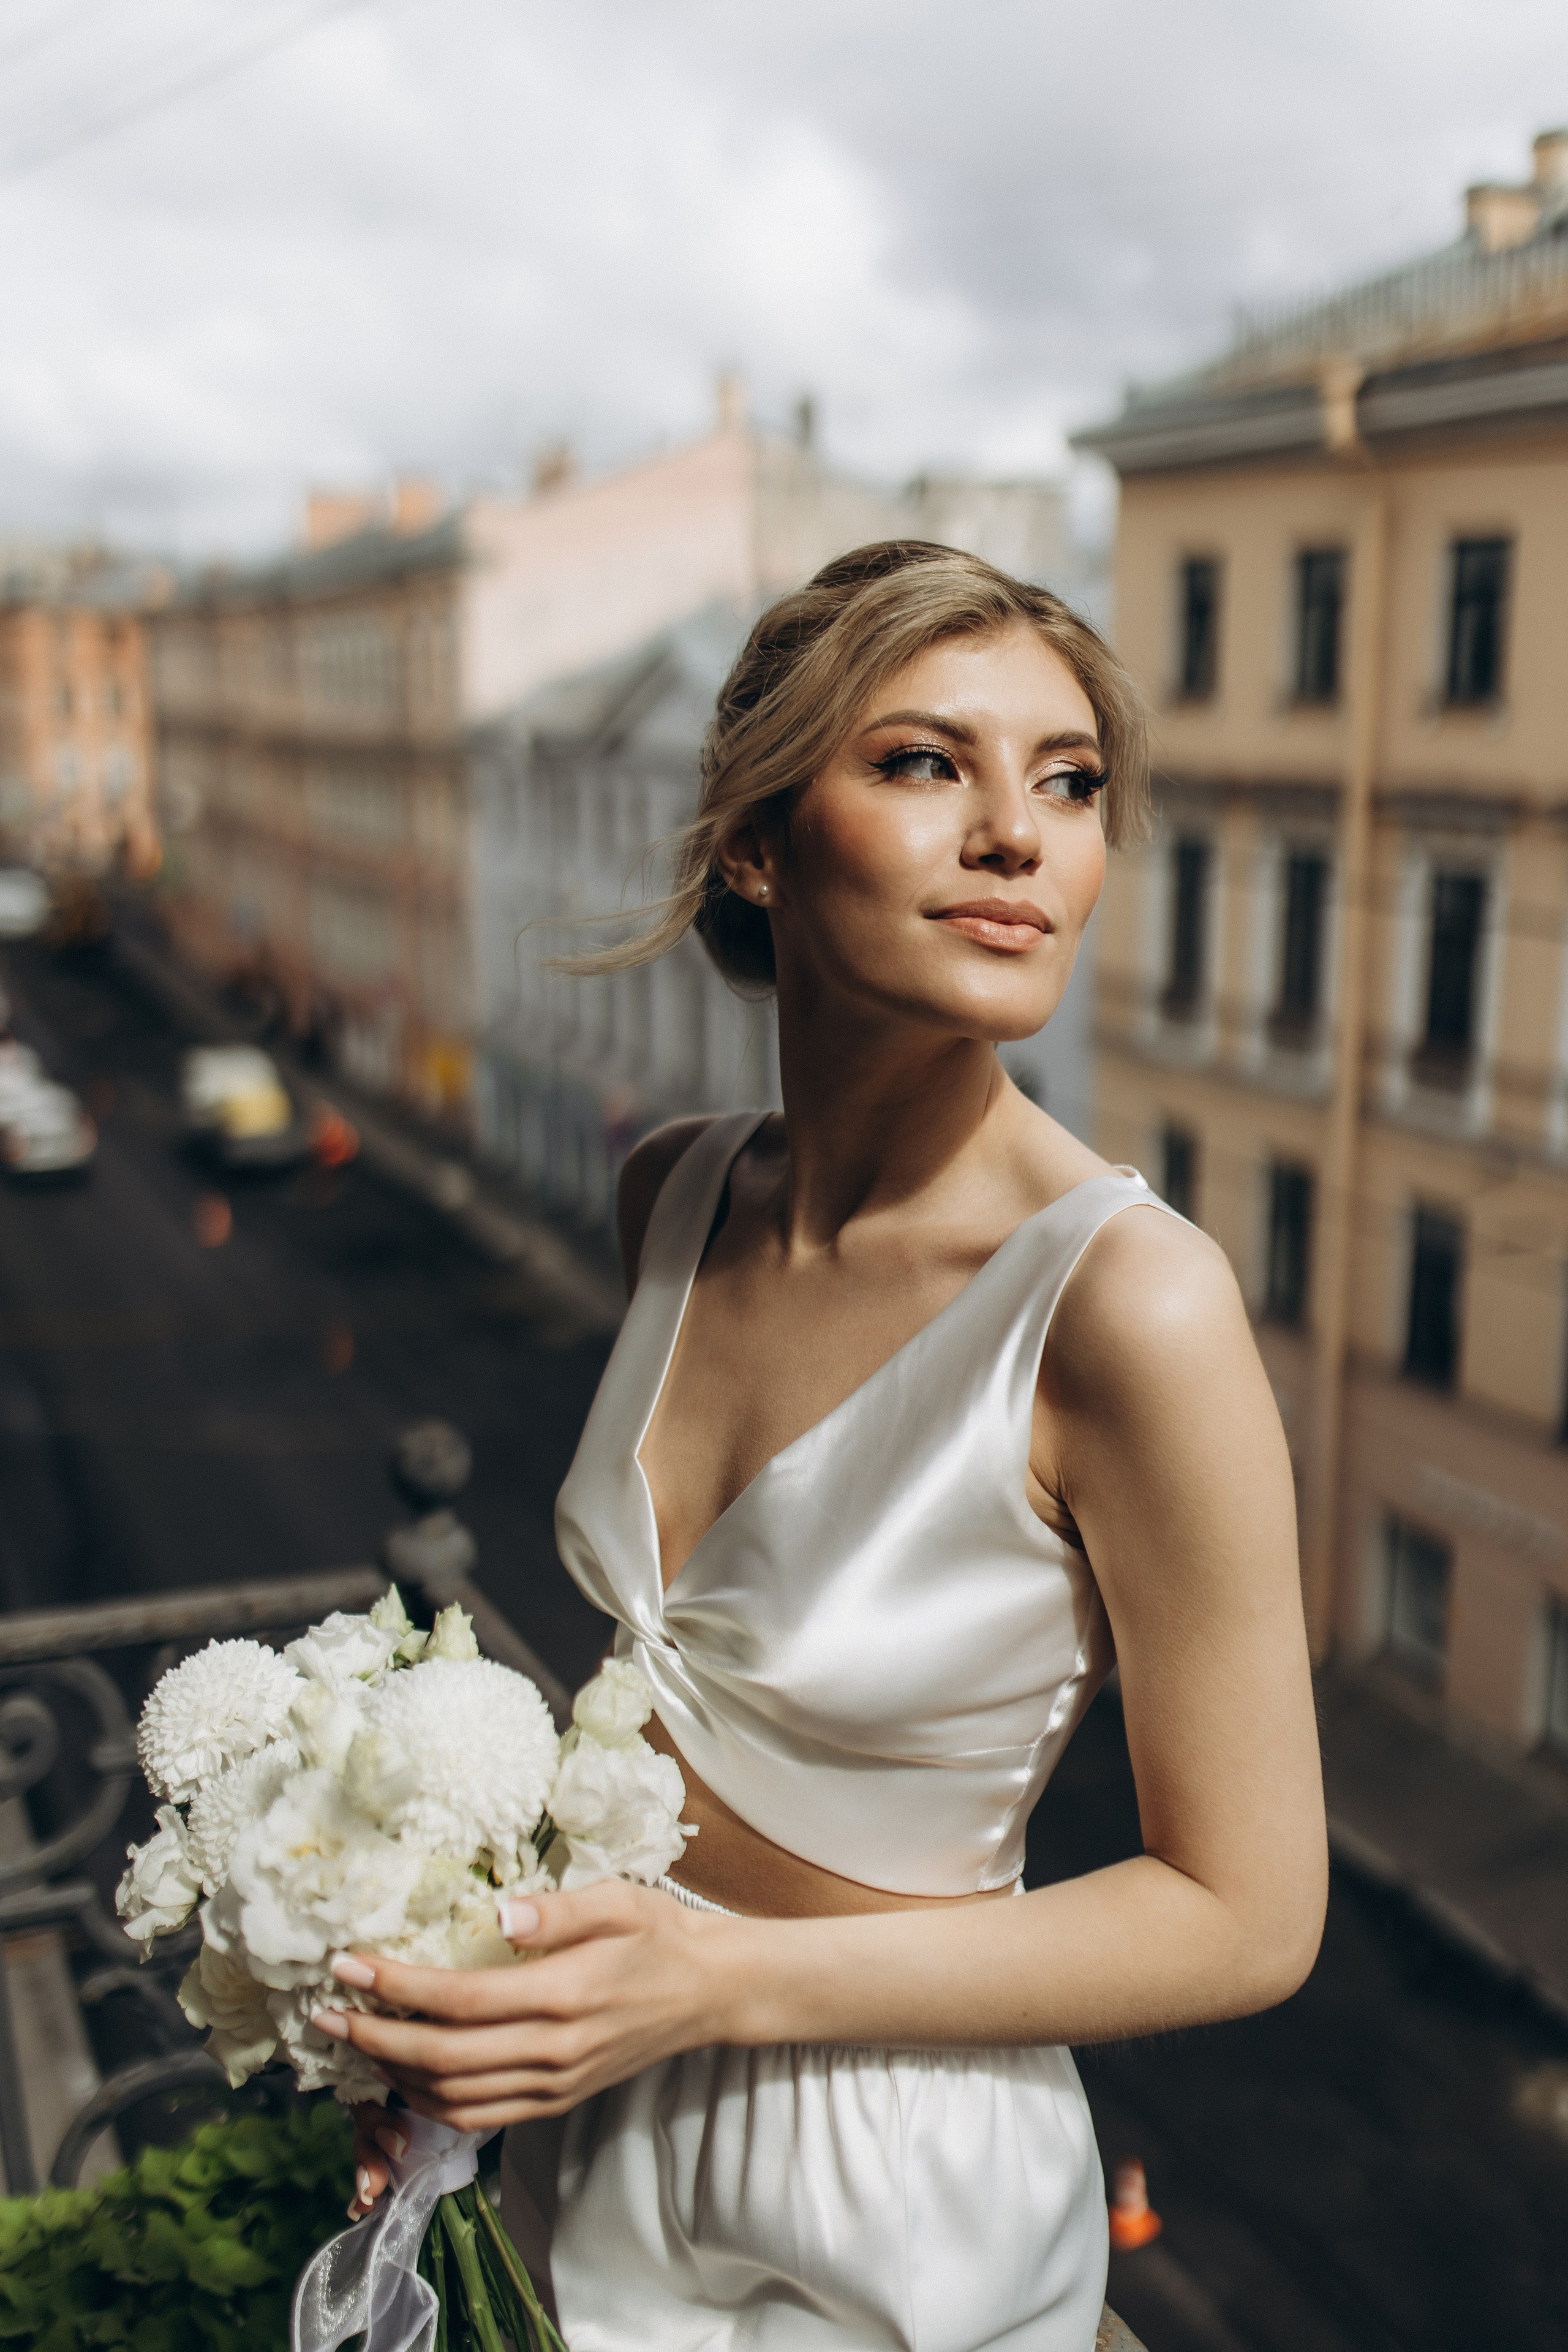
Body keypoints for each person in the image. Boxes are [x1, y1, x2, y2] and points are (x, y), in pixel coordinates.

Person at [320, 543, 1327, 2350]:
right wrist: (479, 1996)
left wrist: (722, 1985)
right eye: (927, 761)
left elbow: (1248, 1916)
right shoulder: (673, 1192)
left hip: (897, 2194)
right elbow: (666, 1751)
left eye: (1071, 781)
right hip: (613, 2119)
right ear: (755, 843)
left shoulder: (1132, 1306)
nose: (1019, 835)